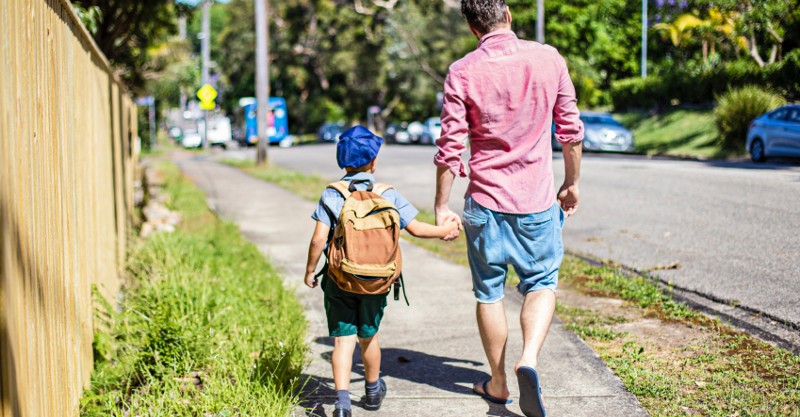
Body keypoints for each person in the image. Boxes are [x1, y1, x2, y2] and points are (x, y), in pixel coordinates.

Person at [433, 1, 584, 416]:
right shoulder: (549, 59)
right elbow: (570, 133)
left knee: (489, 293)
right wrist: (571, 185)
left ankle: (498, 382)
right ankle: (529, 359)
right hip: (536, 203)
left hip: (484, 203)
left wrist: (441, 205)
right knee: (541, 284)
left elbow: (450, 149)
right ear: (509, 16)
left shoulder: (462, 71)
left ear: (470, 26)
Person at [304, 126, 459, 417]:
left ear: (342, 161)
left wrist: (311, 271)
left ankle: (341, 403)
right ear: (374, 161)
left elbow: (316, 240)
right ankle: (373, 392)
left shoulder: (332, 195)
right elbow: (416, 229)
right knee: (369, 338)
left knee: (343, 341)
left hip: (339, 280)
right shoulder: (387, 194)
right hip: (377, 281)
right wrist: (444, 231)